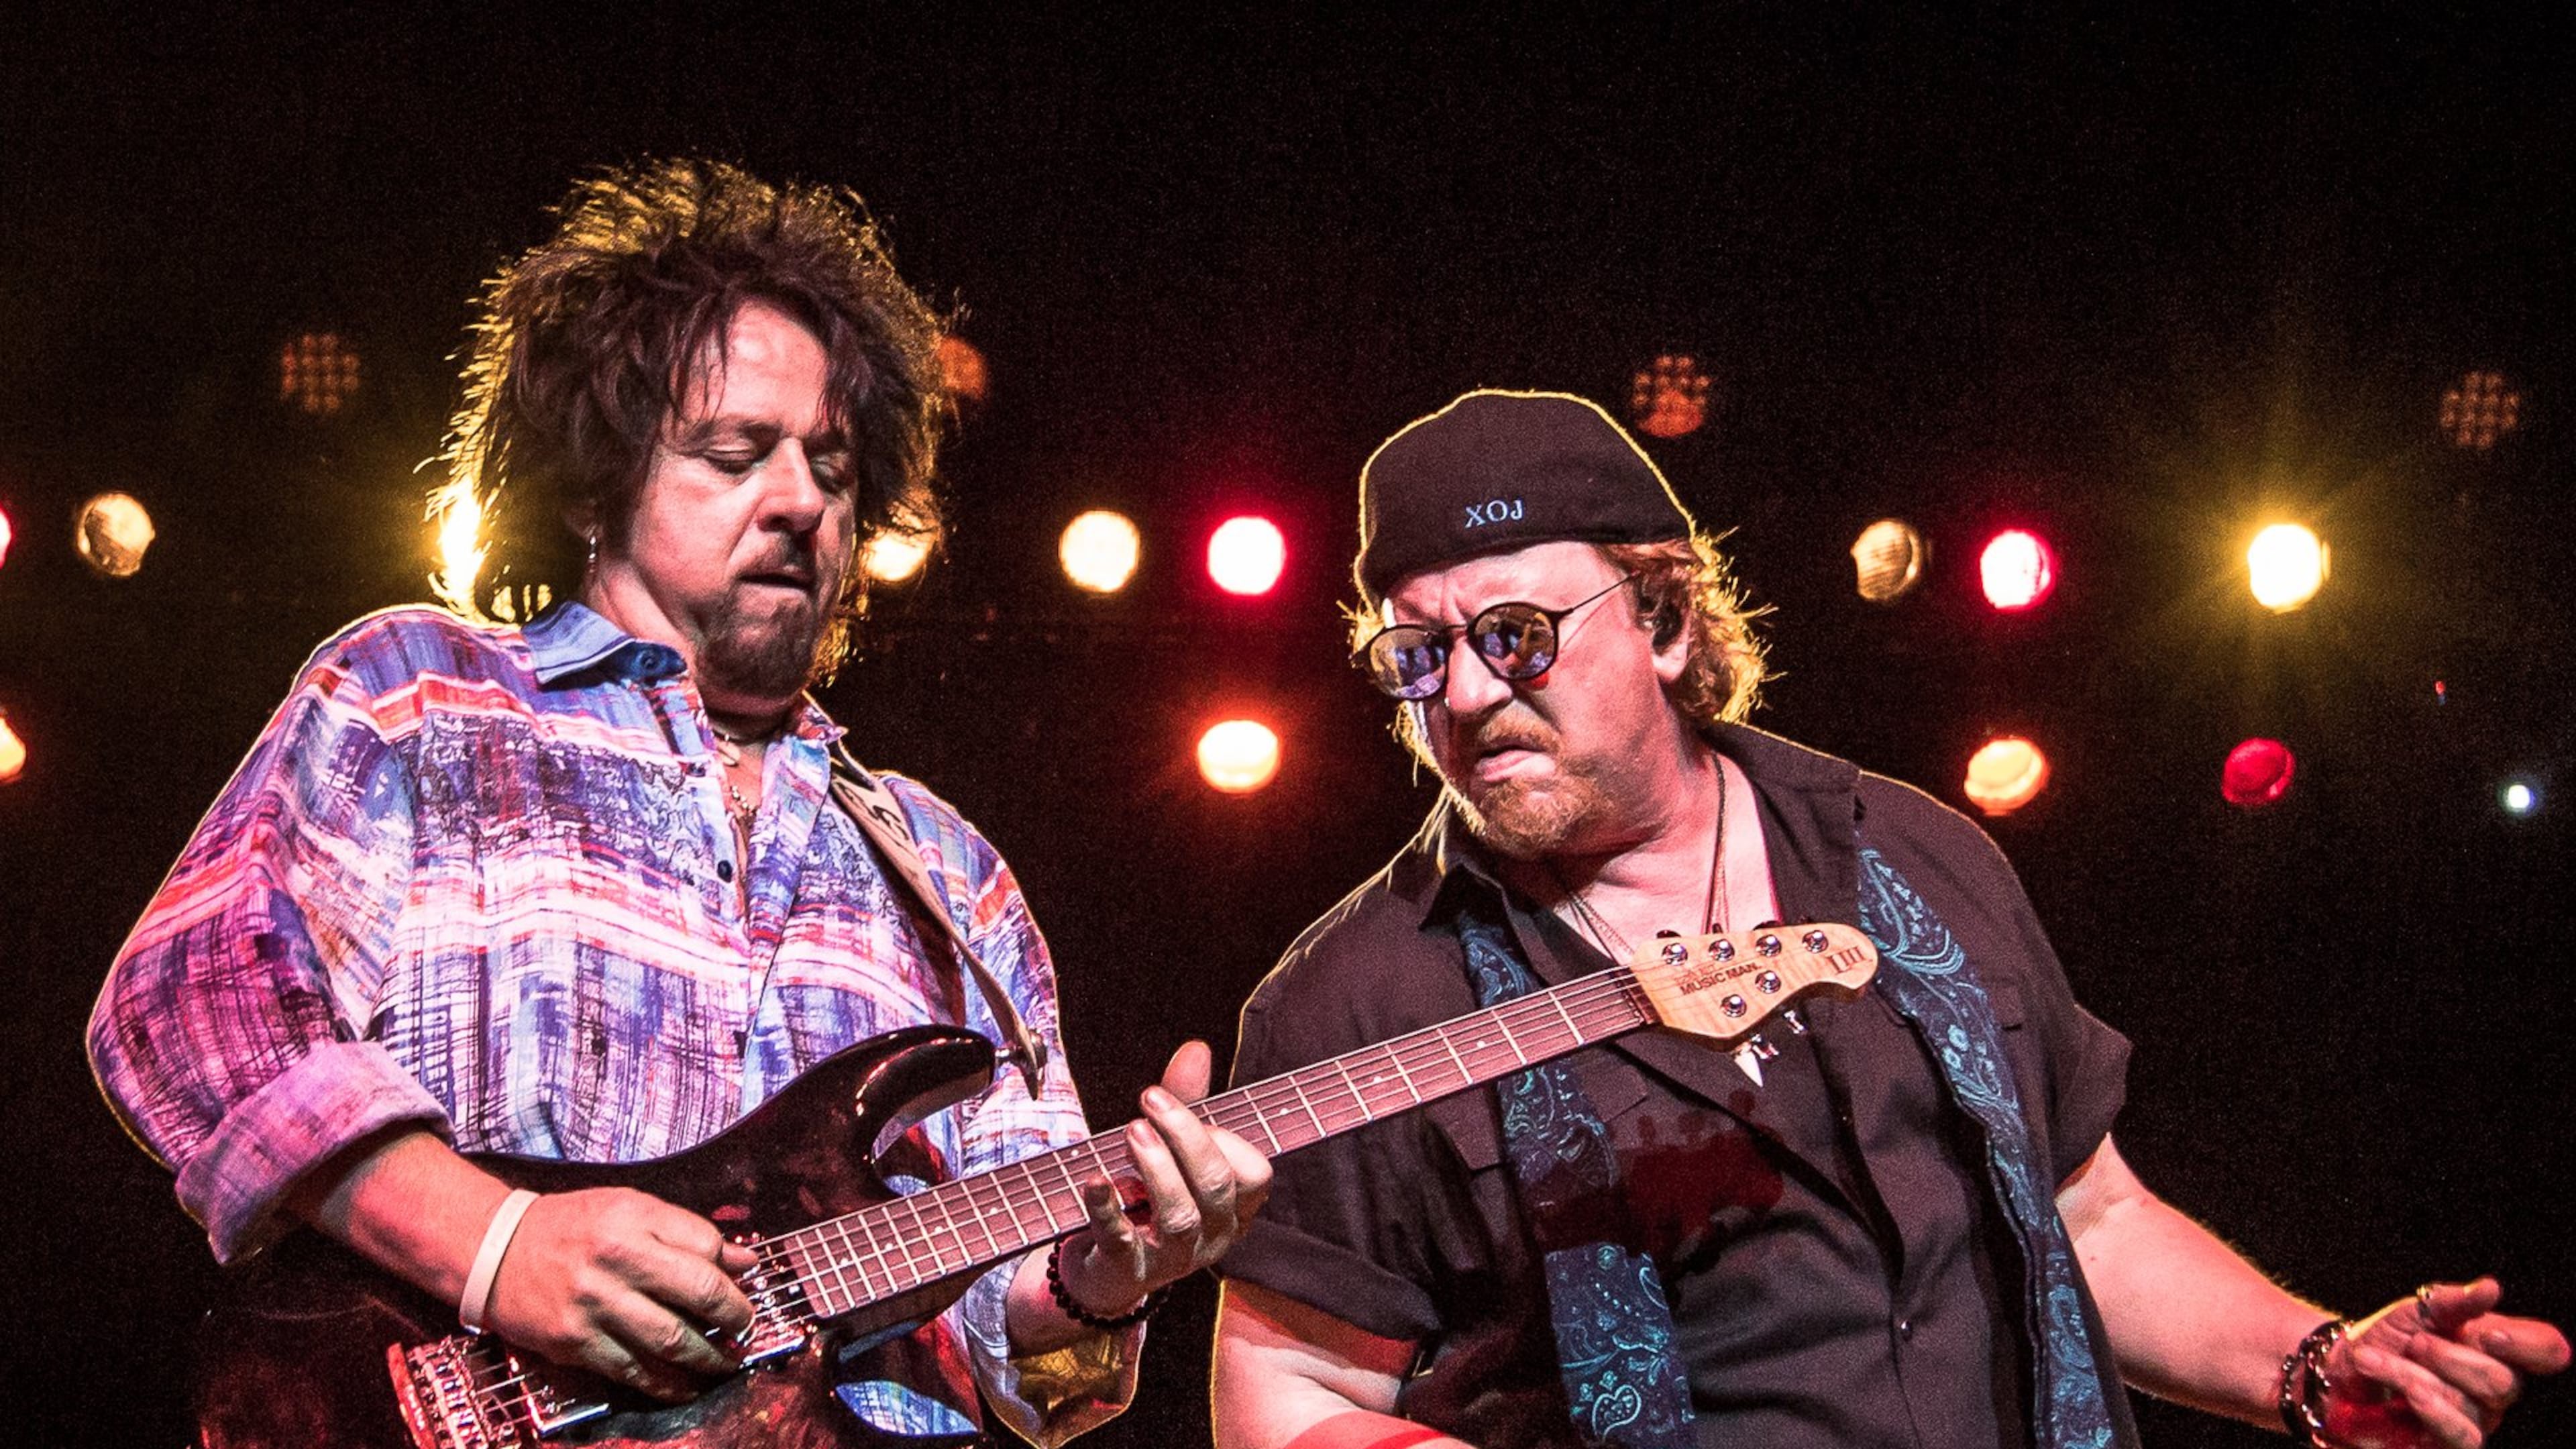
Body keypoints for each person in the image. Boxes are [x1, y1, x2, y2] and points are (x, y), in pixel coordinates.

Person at [89, 158, 1267, 1446]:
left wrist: (1098, 1279)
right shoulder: (420, 700)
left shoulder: (949, 872)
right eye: (735, 453)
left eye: (832, 465)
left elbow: (1024, 1354)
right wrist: (498, 1244)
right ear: (595, 480)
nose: (802, 500)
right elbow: (185, 1011)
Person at [1210, 389, 2564, 1449]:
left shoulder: (1908, 853)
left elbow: (2088, 1218)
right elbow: (1287, 1392)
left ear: (1666, 622)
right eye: (1419, 655)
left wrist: (2311, 1365)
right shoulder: (1356, 999)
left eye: (1516, 635)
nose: (1464, 695)